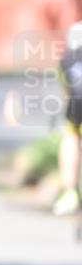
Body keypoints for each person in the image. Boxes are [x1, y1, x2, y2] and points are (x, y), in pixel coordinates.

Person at [54, 21, 82, 215]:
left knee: (71, 134)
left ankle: (69, 192)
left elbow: (67, 86)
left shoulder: (69, 53)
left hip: (77, 99)